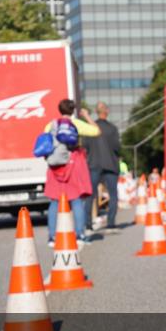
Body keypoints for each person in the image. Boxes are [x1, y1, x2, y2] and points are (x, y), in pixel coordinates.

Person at [44, 99, 99, 248]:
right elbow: (96, 131)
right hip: (73, 163)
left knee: (54, 201)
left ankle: (52, 237)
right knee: (76, 200)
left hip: (55, 165)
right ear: (73, 110)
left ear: (59, 110)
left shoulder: (51, 125)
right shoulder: (76, 124)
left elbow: (46, 142)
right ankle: (80, 235)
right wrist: (86, 116)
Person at [84, 102, 121, 234]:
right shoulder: (112, 129)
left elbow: (85, 147)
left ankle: (88, 225)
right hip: (111, 164)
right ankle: (111, 224)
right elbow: (117, 147)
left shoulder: (90, 128)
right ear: (107, 111)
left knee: (90, 195)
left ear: (96, 112)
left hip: (94, 164)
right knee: (113, 195)